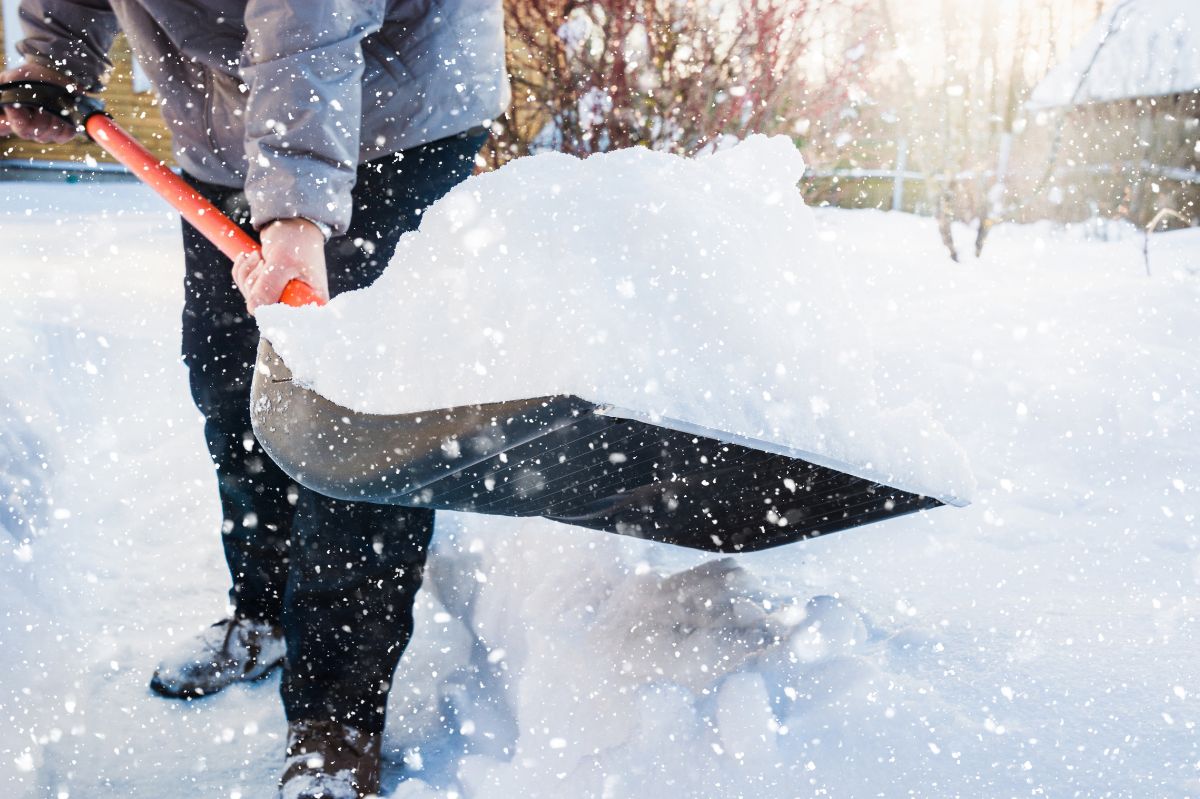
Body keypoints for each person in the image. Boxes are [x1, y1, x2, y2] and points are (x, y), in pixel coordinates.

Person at [1, 2, 509, 797]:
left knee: (356, 420)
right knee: (232, 378)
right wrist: (54, 55)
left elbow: (309, 18)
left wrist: (295, 212)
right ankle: (264, 611)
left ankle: (335, 720)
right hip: (226, 122)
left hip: (396, 111)